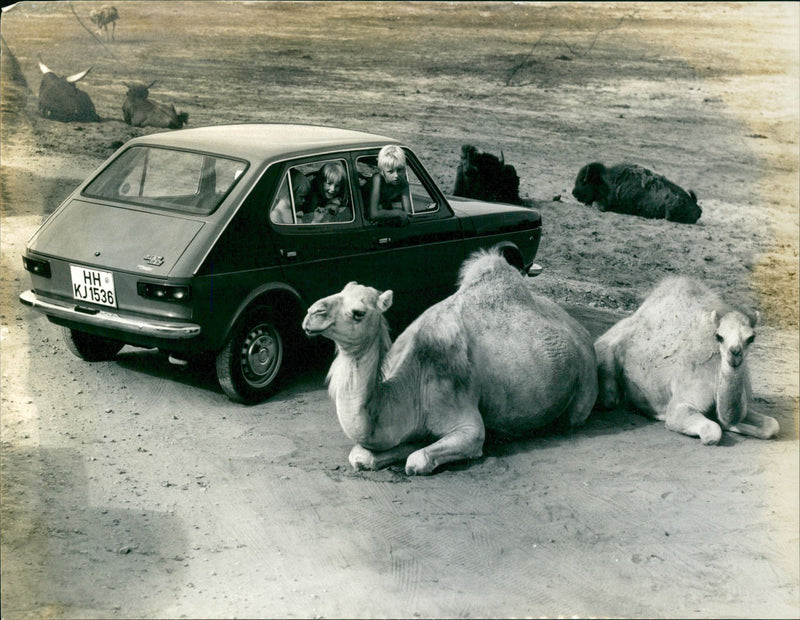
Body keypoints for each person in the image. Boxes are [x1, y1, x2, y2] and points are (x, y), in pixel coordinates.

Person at [367, 145, 411, 226]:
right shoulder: (378, 179)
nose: (396, 175)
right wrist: (398, 212)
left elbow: (408, 215)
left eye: (399, 170)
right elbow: (373, 213)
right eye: (391, 172)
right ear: (382, 171)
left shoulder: (403, 184)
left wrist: (401, 214)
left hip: (383, 212)